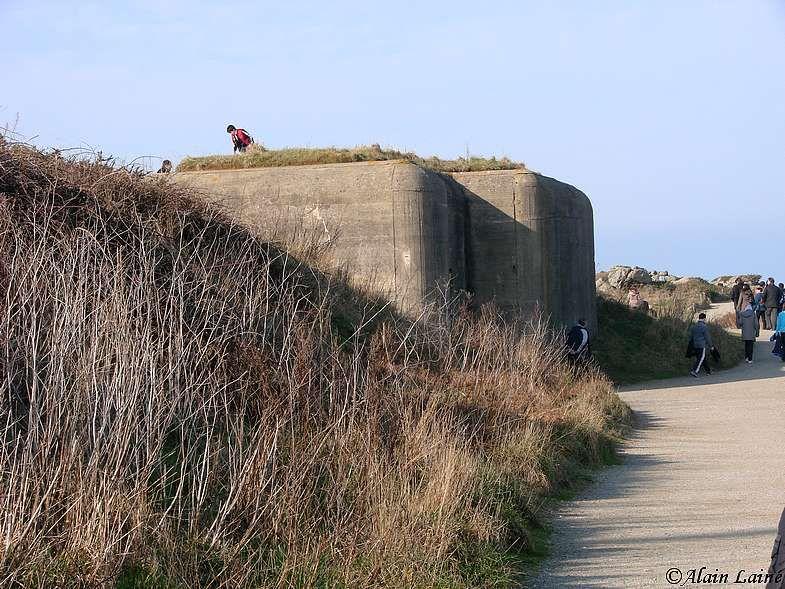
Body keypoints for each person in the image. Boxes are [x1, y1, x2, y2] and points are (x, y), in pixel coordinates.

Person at [689, 313, 714, 377]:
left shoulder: (694, 326)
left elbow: (691, 336)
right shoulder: (704, 327)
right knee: (701, 359)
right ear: (704, 319)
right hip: (701, 345)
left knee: (703, 358)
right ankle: (694, 371)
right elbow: (707, 337)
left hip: (695, 345)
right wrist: (711, 346)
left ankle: (708, 371)